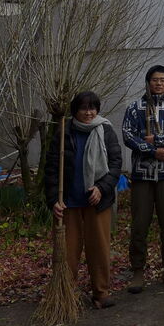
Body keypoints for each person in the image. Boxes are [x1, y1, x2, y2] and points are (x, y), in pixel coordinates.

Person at [44, 90, 122, 310]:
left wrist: (102, 188)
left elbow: (116, 165)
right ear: (75, 110)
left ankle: (101, 292)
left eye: (92, 107)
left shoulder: (105, 130)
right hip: (68, 202)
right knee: (67, 253)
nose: (88, 112)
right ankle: (67, 295)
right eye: (83, 108)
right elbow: (51, 169)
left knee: (99, 249)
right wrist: (53, 201)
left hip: (96, 203)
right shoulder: (64, 131)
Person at [122, 64, 164, 293]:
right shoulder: (134, 107)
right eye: (154, 79)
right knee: (139, 225)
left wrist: (158, 141)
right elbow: (127, 135)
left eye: (162, 80)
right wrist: (151, 150)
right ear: (148, 82)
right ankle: (138, 271)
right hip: (142, 174)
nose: (158, 83)